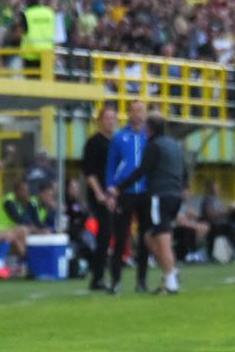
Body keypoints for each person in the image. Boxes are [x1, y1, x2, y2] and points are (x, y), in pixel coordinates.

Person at [109, 112, 187, 294]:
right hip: (176, 195)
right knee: (149, 237)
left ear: (149, 129)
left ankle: (170, 282)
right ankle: (172, 271)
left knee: (162, 238)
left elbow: (142, 170)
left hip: (160, 195)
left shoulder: (154, 146)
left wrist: (120, 187)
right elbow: (184, 171)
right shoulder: (174, 145)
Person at [103, 99, 150, 295]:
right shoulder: (119, 138)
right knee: (121, 237)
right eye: (135, 110)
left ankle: (142, 280)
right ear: (129, 114)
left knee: (146, 237)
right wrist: (110, 190)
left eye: (141, 110)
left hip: (146, 192)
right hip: (125, 193)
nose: (138, 114)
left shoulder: (150, 138)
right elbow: (111, 166)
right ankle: (115, 280)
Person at [80, 103, 117, 291]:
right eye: (107, 118)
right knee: (104, 235)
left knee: (110, 235)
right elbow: (89, 172)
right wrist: (100, 194)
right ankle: (97, 275)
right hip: (101, 195)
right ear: (100, 121)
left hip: (113, 194)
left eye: (113, 118)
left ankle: (103, 274)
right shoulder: (94, 142)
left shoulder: (114, 142)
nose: (110, 122)